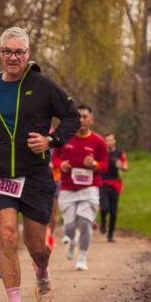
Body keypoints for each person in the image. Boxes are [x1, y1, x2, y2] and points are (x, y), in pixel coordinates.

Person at [0, 27, 79, 302]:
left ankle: (42, 270)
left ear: (28, 54)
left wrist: (51, 140)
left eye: (19, 52)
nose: (13, 57)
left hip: (35, 176)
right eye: (8, 51)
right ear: (0, 53)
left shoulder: (43, 85)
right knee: (6, 236)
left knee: (35, 245)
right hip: (0, 175)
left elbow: (72, 116)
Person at [52, 105, 108, 271]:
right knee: (69, 227)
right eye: (78, 117)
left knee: (85, 223)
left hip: (89, 187)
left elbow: (105, 165)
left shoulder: (98, 141)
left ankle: (82, 257)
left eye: (84, 116)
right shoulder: (65, 137)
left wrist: (95, 164)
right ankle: (73, 240)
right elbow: (54, 158)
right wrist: (61, 164)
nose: (81, 120)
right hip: (68, 187)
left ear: (91, 120)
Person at [100, 131, 128, 242]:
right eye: (107, 141)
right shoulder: (101, 152)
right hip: (102, 183)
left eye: (111, 140)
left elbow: (126, 167)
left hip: (114, 184)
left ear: (115, 141)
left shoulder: (119, 153)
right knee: (104, 207)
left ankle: (110, 235)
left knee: (113, 211)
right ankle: (103, 223)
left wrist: (121, 166)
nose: (109, 143)